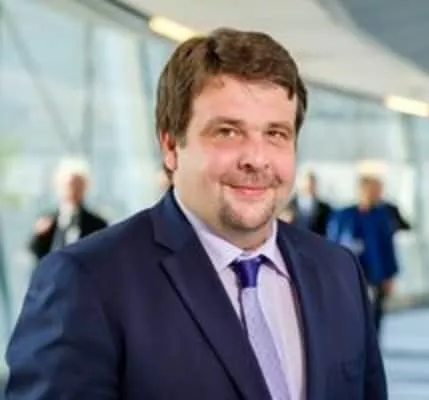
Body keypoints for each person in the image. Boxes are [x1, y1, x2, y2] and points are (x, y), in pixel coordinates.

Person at [5, 28, 386, 400]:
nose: (256, 159)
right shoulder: (88, 282)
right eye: (228, 132)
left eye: (275, 134)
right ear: (171, 146)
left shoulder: (338, 270)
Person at [328, 175, 399, 337]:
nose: (378, 194)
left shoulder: (381, 217)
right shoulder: (344, 215)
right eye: (374, 190)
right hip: (348, 274)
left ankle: (370, 346)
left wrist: (390, 275)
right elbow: (332, 244)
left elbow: (387, 247)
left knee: (374, 316)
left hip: (375, 274)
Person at [28, 158, 107, 261]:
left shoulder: (97, 224)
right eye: (69, 185)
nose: (72, 190)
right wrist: (39, 235)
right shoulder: (47, 221)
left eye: (78, 185)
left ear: (84, 187)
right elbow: (36, 254)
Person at [287, 171, 332, 236]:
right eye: (306, 182)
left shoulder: (324, 207)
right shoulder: (289, 204)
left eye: (312, 183)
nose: (309, 185)